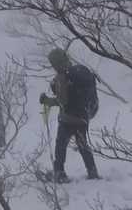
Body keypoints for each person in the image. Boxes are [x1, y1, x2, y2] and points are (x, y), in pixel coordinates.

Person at [38, 47, 100, 182]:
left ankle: (59, 173)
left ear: (55, 63)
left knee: (61, 145)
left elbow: (62, 101)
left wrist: (47, 101)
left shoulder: (62, 77)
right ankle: (92, 171)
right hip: (83, 116)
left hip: (68, 118)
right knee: (83, 144)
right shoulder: (80, 71)